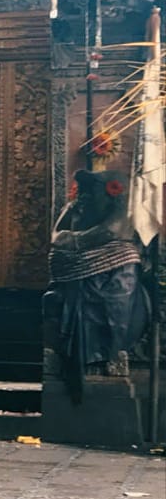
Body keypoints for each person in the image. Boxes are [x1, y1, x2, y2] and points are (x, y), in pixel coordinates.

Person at [45, 169, 149, 400]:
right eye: (82, 190)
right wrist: (76, 244)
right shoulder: (74, 208)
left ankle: (108, 355)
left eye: (90, 190)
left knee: (114, 300)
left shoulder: (121, 209)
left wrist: (73, 241)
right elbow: (55, 237)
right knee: (60, 298)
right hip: (73, 270)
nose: (84, 196)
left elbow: (110, 231)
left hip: (115, 270)